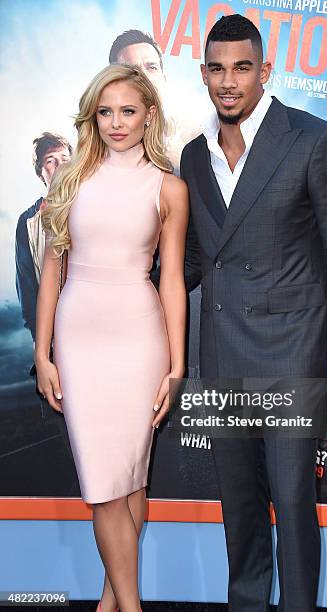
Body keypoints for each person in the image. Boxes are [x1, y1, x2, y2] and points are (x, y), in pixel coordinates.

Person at [181, 14, 327, 612]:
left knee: (292, 506)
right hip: (222, 355)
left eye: (242, 67)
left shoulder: (315, 140)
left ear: (265, 70)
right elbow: (192, 261)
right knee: (239, 511)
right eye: (217, 68)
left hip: (294, 353)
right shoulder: (192, 157)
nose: (228, 81)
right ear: (203, 73)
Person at [35, 63, 188, 612]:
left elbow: (170, 279)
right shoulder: (69, 180)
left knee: (130, 479)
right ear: (92, 117)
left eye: (128, 111)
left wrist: (176, 365)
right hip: (79, 338)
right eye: (106, 112)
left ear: (149, 115)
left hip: (140, 337)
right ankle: (130, 604)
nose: (117, 123)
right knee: (103, 482)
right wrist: (43, 351)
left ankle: (113, 599)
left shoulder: (169, 187)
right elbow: (52, 270)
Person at [109, 29, 201, 172]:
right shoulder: (98, 150)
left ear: (164, 79)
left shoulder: (196, 139)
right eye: (131, 70)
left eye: (151, 67)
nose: (144, 77)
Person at [15, 132, 72, 341]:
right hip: (51, 336)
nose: (60, 166)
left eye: (65, 160)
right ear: (40, 171)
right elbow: (26, 287)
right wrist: (42, 343)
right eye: (51, 160)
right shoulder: (28, 222)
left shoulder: (90, 205)